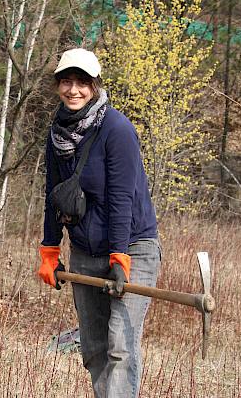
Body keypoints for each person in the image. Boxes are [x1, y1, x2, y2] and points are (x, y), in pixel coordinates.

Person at [37, 48, 161, 398]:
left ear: (95, 86)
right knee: (93, 349)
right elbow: (54, 194)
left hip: (132, 246)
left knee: (120, 347)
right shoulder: (57, 133)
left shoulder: (117, 129)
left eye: (81, 82)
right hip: (86, 251)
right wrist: (49, 249)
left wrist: (120, 258)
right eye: (66, 82)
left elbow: (122, 198)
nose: (73, 90)